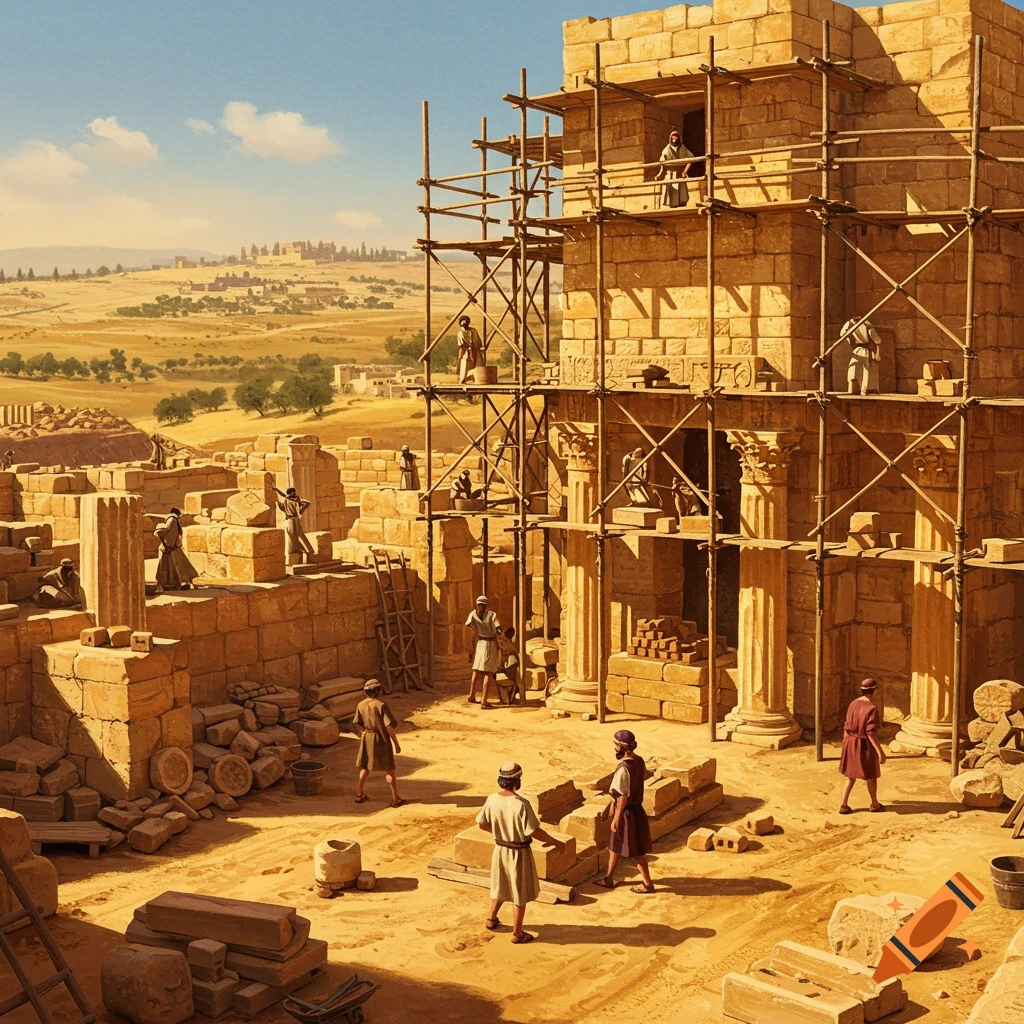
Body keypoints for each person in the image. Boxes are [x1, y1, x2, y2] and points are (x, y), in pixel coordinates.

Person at [476, 761, 566, 943]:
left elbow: (482, 823)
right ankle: (517, 933)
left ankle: (491, 918)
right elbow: (534, 831)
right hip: (518, 853)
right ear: (517, 781)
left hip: (500, 849)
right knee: (519, 893)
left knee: (500, 886)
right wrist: (556, 842)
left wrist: (501, 832)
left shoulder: (492, 799)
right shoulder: (521, 804)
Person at [595, 730, 655, 893]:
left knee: (636, 852)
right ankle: (608, 878)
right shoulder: (639, 761)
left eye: (616, 745)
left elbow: (622, 796)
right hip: (635, 810)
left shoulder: (623, 768)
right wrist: (608, 809)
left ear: (621, 747)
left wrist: (617, 818)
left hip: (627, 814)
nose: (614, 749)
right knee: (615, 846)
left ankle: (648, 884)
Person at [352, 678, 403, 808]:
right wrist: (396, 744)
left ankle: (359, 794)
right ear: (378, 691)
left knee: (365, 767)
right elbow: (389, 727)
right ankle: (395, 798)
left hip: (367, 738)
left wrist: (365, 732)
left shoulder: (361, 705)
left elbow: (357, 722)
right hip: (381, 739)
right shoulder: (381, 705)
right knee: (389, 770)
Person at [839, 678, 886, 814]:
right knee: (871, 776)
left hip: (849, 742)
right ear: (874, 691)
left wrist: (845, 744)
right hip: (863, 745)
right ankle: (874, 804)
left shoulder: (853, 703)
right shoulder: (872, 708)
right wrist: (880, 752)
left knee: (850, 777)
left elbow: (846, 726)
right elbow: (870, 732)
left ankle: (843, 804)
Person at [145, 508, 198, 591]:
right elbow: (165, 530)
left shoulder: (173, 520)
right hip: (169, 547)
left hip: (172, 547)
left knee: (177, 565)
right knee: (175, 566)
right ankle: (171, 583)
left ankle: (176, 582)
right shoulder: (172, 519)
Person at [466, 595, 501, 708]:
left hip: (480, 642)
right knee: (488, 673)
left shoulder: (472, 614)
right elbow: (498, 628)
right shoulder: (492, 615)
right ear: (486, 605)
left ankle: (472, 695)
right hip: (489, 644)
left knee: (476, 670)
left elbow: (469, 628)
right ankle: (484, 701)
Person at [843, 317, 882, 395]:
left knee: (866, 370)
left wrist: (877, 353)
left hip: (867, 351)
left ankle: (865, 390)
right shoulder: (849, 324)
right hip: (858, 350)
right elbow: (843, 334)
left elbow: (877, 341)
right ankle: (854, 389)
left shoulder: (866, 324)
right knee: (854, 369)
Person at [654, 129, 692, 208]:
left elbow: (690, 159)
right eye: (673, 138)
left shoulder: (683, 148)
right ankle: (672, 204)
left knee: (681, 190)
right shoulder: (666, 150)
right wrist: (660, 174)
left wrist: (685, 171)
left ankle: (682, 203)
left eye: (676, 138)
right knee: (671, 190)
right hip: (670, 173)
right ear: (670, 139)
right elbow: (662, 163)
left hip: (680, 172)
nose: (674, 140)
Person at [274, 486, 314, 559]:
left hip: (291, 520)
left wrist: (299, 501)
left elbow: (307, 503)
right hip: (292, 519)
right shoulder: (289, 500)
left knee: (294, 535)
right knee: (293, 536)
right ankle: (300, 550)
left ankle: (304, 550)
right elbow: (283, 500)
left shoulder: (295, 500)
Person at [457, 316, 484, 383]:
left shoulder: (473, 330)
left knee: (479, 364)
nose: (464, 323)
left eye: (465, 321)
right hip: (466, 350)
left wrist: (480, 346)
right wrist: (466, 350)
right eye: (462, 321)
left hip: (476, 349)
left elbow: (478, 339)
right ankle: (463, 379)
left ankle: (477, 379)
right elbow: (461, 345)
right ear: (460, 323)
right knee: (465, 365)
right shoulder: (460, 333)